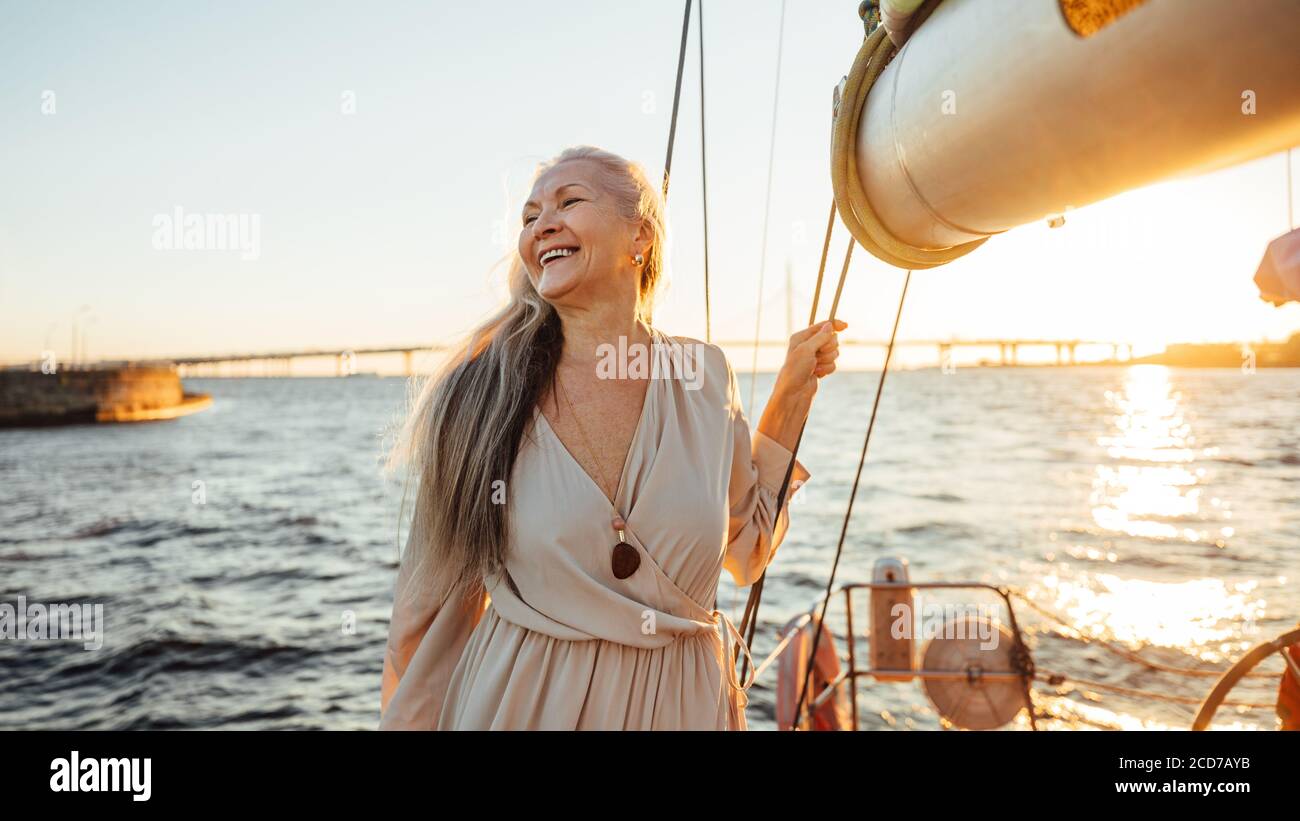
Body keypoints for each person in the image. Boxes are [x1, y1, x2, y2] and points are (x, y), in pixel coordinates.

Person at [380, 144, 845, 730]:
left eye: (569, 201)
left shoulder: (702, 376)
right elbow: (423, 616)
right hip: (523, 710)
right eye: (529, 217)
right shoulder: (480, 397)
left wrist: (792, 395)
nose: (542, 224)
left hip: (682, 710)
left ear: (641, 235)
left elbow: (747, 547)